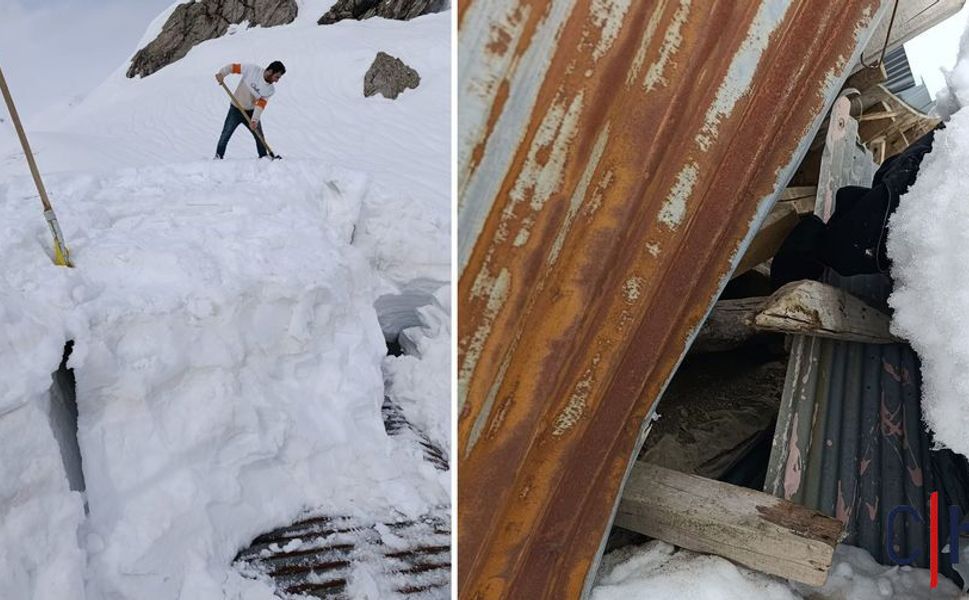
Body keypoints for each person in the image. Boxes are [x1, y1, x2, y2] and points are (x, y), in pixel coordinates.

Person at [214, 61, 285, 159]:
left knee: (259, 137)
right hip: (235, 109)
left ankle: (263, 158)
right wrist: (222, 74)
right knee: (226, 133)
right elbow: (233, 67)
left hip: (251, 112)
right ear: (270, 71)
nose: (277, 81)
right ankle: (218, 157)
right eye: (276, 77)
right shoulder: (252, 70)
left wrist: (254, 120)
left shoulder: (270, 90)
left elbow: (260, 105)